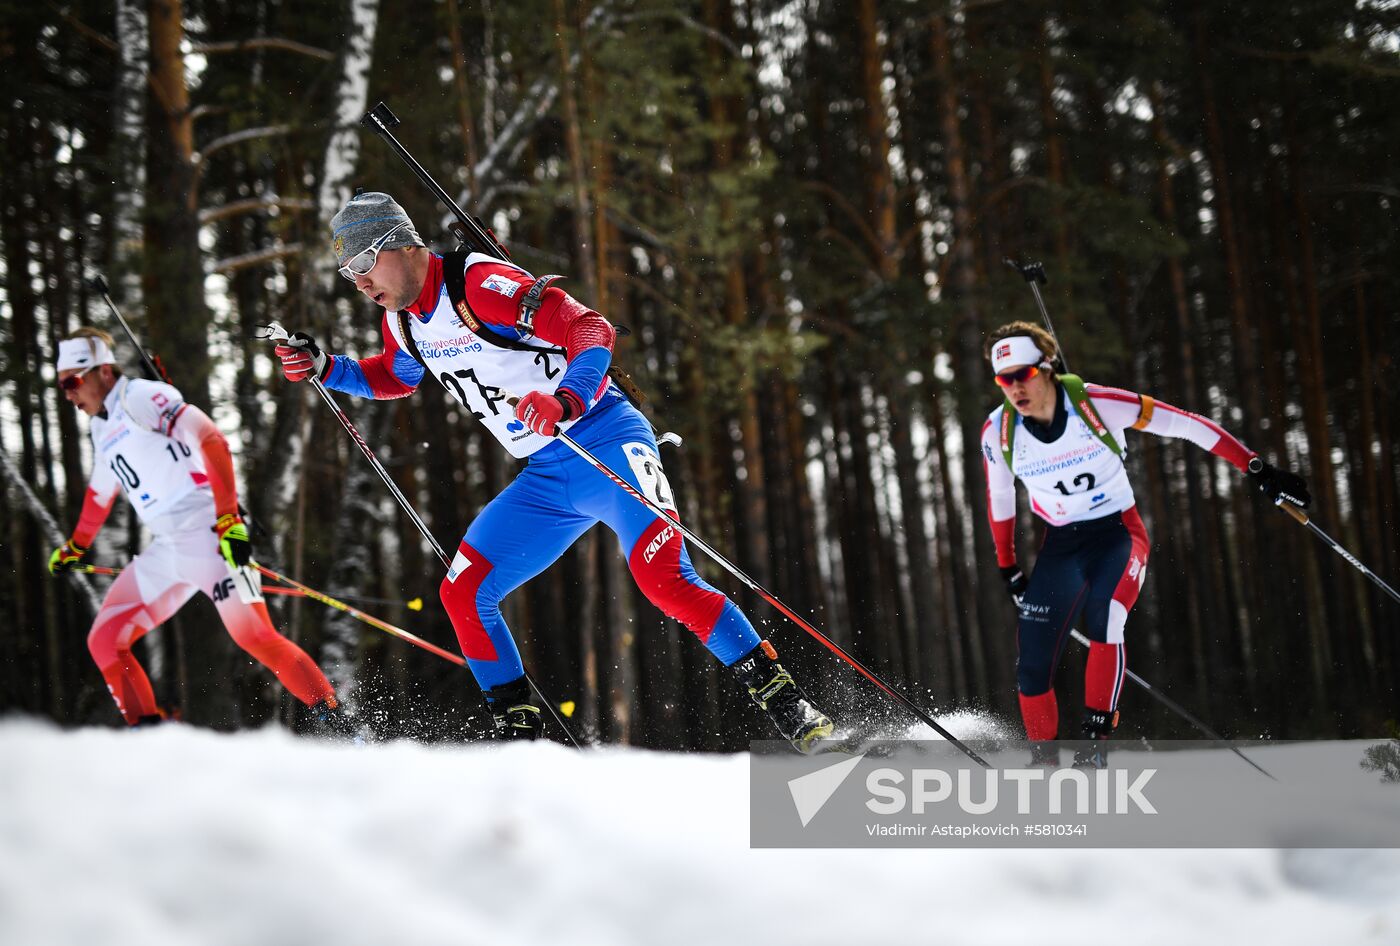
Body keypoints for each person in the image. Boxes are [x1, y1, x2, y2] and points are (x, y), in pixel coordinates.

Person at [274, 191, 834, 751]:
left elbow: (590, 329)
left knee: (665, 581)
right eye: (348, 273)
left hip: (607, 442)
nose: (360, 282)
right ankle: (521, 739)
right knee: (464, 592)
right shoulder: (402, 322)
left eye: (364, 262)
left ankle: (793, 710)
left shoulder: (479, 285)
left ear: (402, 243)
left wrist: (566, 400)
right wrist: (326, 367)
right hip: (546, 476)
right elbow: (396, 377)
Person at [979, 321, 1309, 767]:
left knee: (1107, 618)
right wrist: (1008, 566)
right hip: (1062, 545)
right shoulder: (998, 432)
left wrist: (1257, 468)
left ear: (1048, 366)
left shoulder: (1097, 404)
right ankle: (1044, 764)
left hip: (1116, 532)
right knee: (1032, 662)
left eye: (1024, 374)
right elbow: (1000, 497)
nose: (1015, 388)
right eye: (1004, 380)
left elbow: (1186, 425)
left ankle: (1094, 751)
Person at [50, 328, 347, 732]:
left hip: (209, 535)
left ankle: (340, 725)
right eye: (61, 385)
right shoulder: (100, 427)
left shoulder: (139, 396)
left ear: (103, 371)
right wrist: (75, 546)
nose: (68, 394)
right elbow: (99, 494)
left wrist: (228, 520)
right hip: (167, 548)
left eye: (71, 382)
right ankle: (147, 736)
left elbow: (212, 440)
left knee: (256, 637)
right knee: (105, 639)